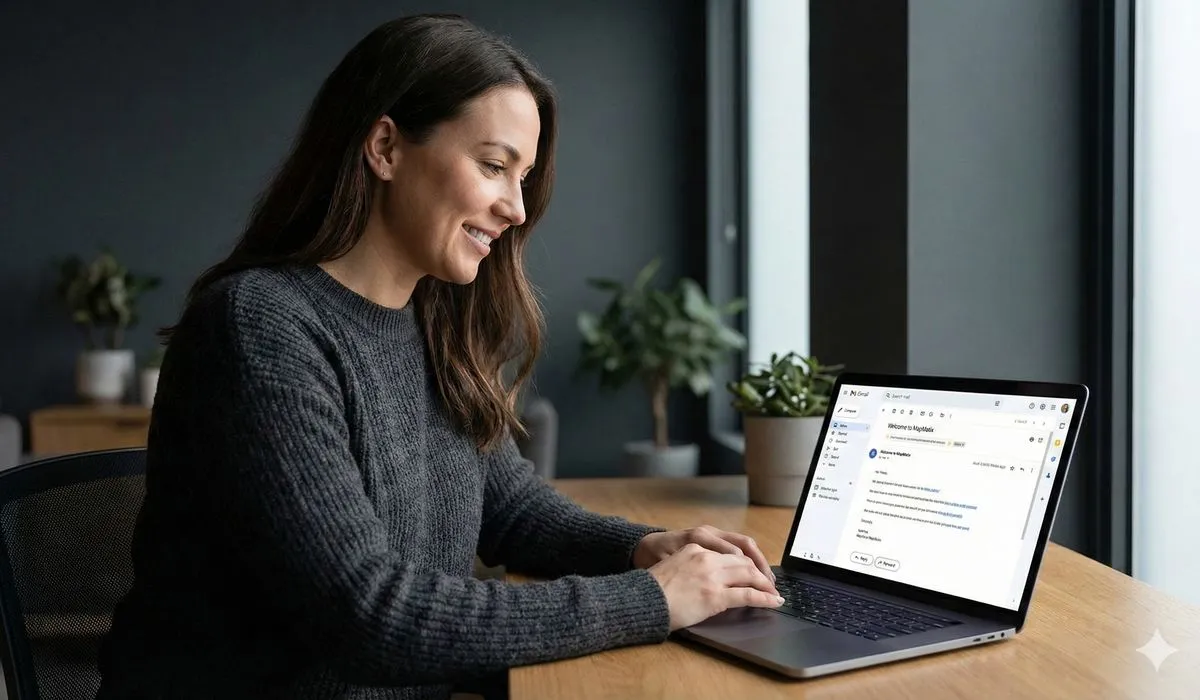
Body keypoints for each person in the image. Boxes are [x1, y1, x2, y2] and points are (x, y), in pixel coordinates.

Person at [96, 14, 782, 700]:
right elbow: (370, 616)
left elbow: (512, 509)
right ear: (386, 148)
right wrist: (651, 598)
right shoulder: (259, 327)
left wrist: (641, 548)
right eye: (494, 166)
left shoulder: (435, 322)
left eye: (524, 177)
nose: (516, 208)